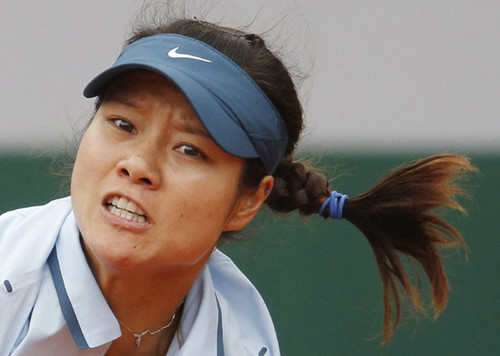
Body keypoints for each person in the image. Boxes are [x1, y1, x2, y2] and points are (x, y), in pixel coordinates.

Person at [0, 15, 475, 356]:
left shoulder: (242, 341)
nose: (138, 164)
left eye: (190, 149)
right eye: (123, 124)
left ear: (248, 200)